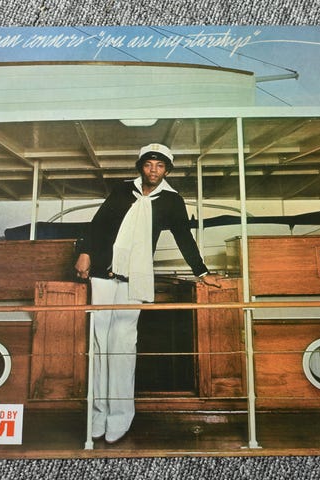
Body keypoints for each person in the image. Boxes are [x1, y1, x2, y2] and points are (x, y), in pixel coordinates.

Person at [74, 143, 220, 444]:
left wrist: (202, 272)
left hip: (134, 280)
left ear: (167, 170)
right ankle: (97, 415)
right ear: (141, 166)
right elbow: (98, 224)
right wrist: (84, 252)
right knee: (99, 343)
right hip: (102, 275)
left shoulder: (171, 200)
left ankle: (119, 417)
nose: (154, 170)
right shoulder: (122, 190)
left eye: (160, 166)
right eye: (149, 164)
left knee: (122, 346)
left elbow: (184, 237)